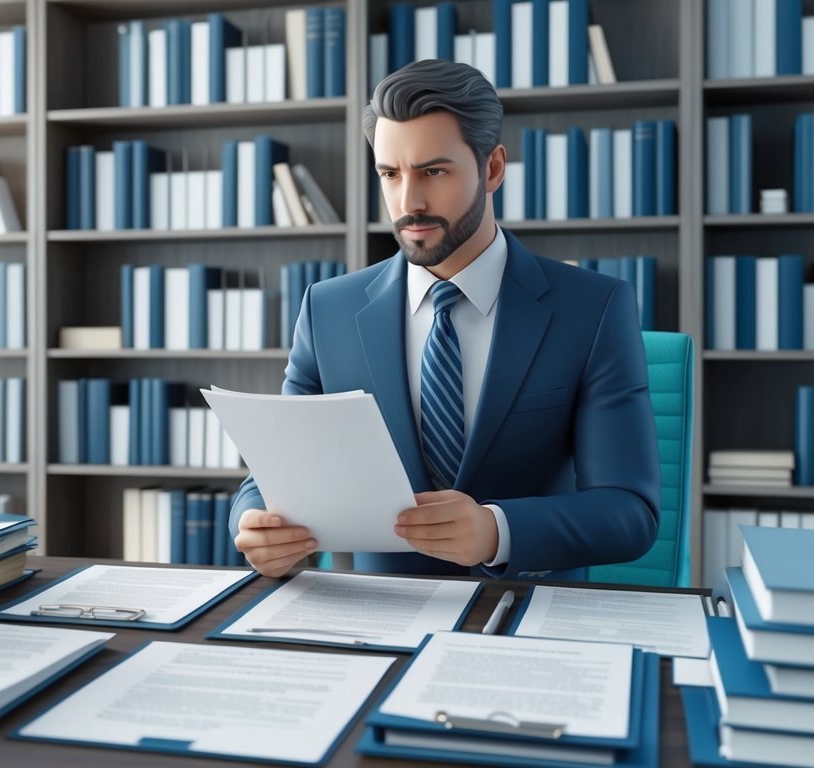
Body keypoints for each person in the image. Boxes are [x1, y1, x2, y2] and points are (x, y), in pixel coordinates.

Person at [229, 59, 659, 580]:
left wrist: (496, 530)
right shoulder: (328, 310)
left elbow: (630, 512)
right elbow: (279, 471)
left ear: (493, 169)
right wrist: (254, 521)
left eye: (434, 171)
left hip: (529, 617)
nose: (409, 202)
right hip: (380, 618)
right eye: (390, 174)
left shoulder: (593, 309)